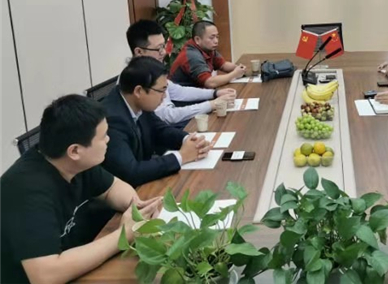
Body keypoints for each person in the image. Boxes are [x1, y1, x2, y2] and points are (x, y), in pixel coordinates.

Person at [1, 95, 162, 284]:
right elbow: (45, 275)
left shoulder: (71, 162)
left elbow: (113, 188)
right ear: (75, 151)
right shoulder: (26, 191)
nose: (109, 139)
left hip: (80, 261)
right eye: (103, 136)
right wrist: (124, 234)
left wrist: (136, 208)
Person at [102, 56, 214, 187]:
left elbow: (159, 130)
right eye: (161, 90)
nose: (165, 96)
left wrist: (189, 140)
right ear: (138, 91)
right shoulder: (112, 120)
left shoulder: (138, 102)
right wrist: (182, 156)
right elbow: (131, 172)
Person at [127, 20, 236, 128]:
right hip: (166, 127)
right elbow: (168, 116)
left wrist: (215, 93)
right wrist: (212, 104)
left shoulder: (152, 70)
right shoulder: (138, 78)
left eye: (163, 46)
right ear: (139, 52)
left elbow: (180, 91)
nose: (163, 52)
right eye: (158, 48)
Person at [170, 20, 247, 88]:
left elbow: (223, 65)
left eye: (217, 37)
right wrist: (234, 74)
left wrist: (239, 68)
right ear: (197, 39)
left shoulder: (207, 48)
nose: (216, 41)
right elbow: (210, 82)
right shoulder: (192, 55)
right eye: (212, 38)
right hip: (182, 98)